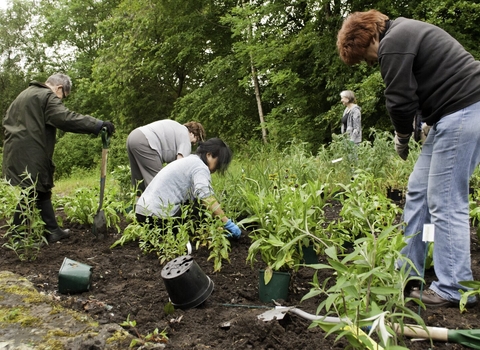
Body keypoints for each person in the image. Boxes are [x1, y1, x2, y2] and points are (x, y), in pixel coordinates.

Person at [337, 10, 480, 308]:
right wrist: (425, 123)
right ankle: (408, 272)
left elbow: (400, 100)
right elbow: (421, 88)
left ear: (371, 37)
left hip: (465, 109)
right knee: (417, 192)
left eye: (365, 56)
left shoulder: (394, 42)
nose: (370, 62)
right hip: (447, 116)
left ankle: (454, 287)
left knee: (445, 200)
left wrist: (402, 137)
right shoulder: (402, 35)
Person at [2, 73, 115, 243]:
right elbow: (65, 118)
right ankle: (17, 238)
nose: (61, 101)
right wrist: (97, 125)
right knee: (29, 191)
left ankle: (53, 230)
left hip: (13, 150)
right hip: (31, 150)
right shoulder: (47, 95)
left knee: (41, 188)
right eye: (63, 97)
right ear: (59, 88)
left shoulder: (24, 95)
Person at [135, 137, 241, 238]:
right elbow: (206, 196)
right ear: (209, 155)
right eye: (218, 163)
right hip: (158, 216)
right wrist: (226, 222)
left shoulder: (189, 161)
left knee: (195, 202)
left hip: (142, 213)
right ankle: (186, 243)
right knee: (199, 206)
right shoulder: (200, 167)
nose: (217, 168)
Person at [126, 119, 206, 195]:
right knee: (159, 185)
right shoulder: (186, 137)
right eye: (197, 139)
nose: (194, 144)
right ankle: (156, 209)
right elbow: (180, 165)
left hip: (133, 137)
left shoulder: (177, 129)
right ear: (192, 133)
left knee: (139, 186)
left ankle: (134, 208)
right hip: (146, 142)